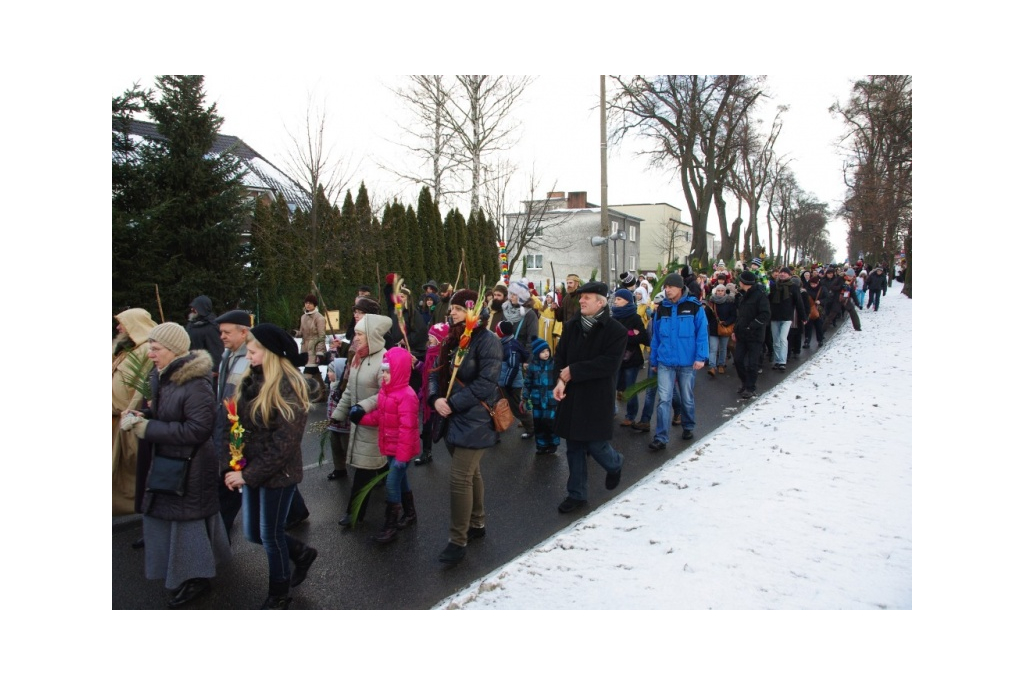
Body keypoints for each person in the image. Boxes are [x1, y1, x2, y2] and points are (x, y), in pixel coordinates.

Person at [120, 322, 230, 609]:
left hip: (191, 467)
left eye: (155, 349)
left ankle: (197, 579)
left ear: (173, 351)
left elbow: (197, 430)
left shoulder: (195, 384)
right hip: (173, 463)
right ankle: (187, 575)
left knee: (188, 526)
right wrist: (143, 413)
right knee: (172, 522)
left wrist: (148, 428)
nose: (151, 355)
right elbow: (166, 413)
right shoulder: (166, 376)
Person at [223, 324, 318, 609]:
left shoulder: (289, 387)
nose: (248, 356)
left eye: (253, 351)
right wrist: (234, 455)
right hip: (253, 469)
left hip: (279, 474)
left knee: (270, 534)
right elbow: (239, 424)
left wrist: (246, 475)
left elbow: (283, 446)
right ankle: (301, 553)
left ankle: (279, 593)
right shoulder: (252, 379)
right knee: (253, 532)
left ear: (272, 354)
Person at [428, 289, 502, 565]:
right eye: (452, 309)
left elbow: (486, 383)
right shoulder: (452, 339)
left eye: (458, 309)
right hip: (450, 415)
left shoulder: (488, 341)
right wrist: (435, 398)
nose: (452, 313)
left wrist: (454, 403)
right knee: (472, 474)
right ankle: (478, 524)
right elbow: (437, 371)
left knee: (460, 478)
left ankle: (457, 541)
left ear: (473, 312)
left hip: (475, 418)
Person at [551, 281, 628, 514]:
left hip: (596, 396)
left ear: (601, 302)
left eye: (587, 297)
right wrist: (560, 381)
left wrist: (574, 371)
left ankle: (615, 464)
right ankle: (577, 494)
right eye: (581, 297)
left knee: (596, 444)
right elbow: (560, 356)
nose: (581, 300)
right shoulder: (572, 325)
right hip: (573, 395)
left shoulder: (616, 331)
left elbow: (609, 364)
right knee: (573, 446)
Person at [352, 346, 420, 543]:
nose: (384, 374)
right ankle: (410, 514)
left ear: (399, 371)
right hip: (390, 447)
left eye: (388, 371)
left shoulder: (406, 396)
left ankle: (390, 525)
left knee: (391, 485)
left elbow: (408, 430)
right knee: (401, 481)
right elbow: (380, 417)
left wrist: (401, 458)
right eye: (383, 370)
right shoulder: (386, 392)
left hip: (401, 451)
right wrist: (360, 418)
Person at [332, 313, 392, 528]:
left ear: (372, 336)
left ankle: (354, 513)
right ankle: (397, 500)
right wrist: (338, 414)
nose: (355, 338)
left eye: (359, 334)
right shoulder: (359, 356)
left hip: (374, 423)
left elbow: (386, 392)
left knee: (364, 470)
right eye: (355, 333)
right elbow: (350, 389)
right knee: (377, 466)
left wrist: (363, 407)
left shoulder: (385, 360)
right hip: (360, 422)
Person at [646, 272, 709, 450]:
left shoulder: (695, 307)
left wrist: (700, 357)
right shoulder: (662, 309)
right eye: (665, 287)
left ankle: (688, 426)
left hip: (688, 362)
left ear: (680, 288)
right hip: (666, 361)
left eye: (670, 287)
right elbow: (656, 337)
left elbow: (702, 334)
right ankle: (661, 437)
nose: (667, 290)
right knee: (664, 400)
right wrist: (654, 360)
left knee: (687, 398)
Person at [113, 308, 158, 517]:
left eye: (121, 323)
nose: (118, 327)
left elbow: (143, 386)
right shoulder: (126, 349)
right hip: (114, 418)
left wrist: (130, 413)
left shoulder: (147, 350)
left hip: (126, 417)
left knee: (132, 468)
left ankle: (140, 511)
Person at [610, 288, 649, 428]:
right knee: (611, 386)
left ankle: (630, 416)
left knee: (630, 388)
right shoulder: (613, 317)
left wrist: (625, 336)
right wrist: (630, 333)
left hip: (630, 359)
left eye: (619, 299)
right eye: (616, 299)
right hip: (615, 358)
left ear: (627, 301)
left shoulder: (634, 317)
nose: (616, 301)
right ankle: (611, 411)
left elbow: (643, 337)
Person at [732, 271, 771, 400]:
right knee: (738, 360)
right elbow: (740, 315)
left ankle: (750, 387)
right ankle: (745, 382)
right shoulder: (742, 295)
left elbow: (765, 314)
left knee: (752, 363)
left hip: (755, 335)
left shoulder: (760, 296)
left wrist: (752, 326)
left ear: (744, 282)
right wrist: (735, 330)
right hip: (742, 334)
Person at [414, 322, 448, 466]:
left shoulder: (443, 355)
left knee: (442, 426)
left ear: (440, 339)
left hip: (437, 396)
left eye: (432, 336)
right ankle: (426, 452)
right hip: (428, 395)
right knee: (427, 425)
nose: (429, 339)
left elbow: (434, 376)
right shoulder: (430, 351)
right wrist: (416, 363)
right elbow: (426, 374)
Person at [523, 337, 560, 455]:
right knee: (539, 423)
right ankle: (541, 445)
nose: (546, 354)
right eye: (543, 352)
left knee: (550, 422)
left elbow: (560, 380)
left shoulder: (554, 365)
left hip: (551, 399)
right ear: (536, 353)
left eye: (547, 351)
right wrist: (524, 397)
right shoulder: (532, 366)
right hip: (537, 400)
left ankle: (553, 443)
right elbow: (527, 382)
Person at [768, 267, 807, 372]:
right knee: (775, 340)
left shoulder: (793, 287)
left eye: (785, 273)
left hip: (787, 317)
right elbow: (768, 299)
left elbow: (799, 302)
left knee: (783, 339)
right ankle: (777, 360)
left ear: (789, 275)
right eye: (781, 273)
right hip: (774, 317)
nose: (782, 274)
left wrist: (803, 317)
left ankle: (782, 362)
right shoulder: (773, 286)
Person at [186, 296, 224, 379]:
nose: (192, 310)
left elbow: (216, 348)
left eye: (195, 307)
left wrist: (216, 369)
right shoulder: (191, 324)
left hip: (207, 371)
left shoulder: (211, 326)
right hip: (192, 365)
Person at [704, 283, 736, 378]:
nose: (720, 292)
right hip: (714, 329)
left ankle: (721, 364)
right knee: (713, 349)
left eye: (722, 291)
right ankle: (712, 367)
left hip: (725, 328)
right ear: (716, 291)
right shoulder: (711, 303)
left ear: (724, 292)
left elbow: (733, 315)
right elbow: (706, 316)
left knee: (723, 348)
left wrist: (726, 322)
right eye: (718, 290)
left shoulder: (729, 302)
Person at [299, 294, 327, 402]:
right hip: (305, 347)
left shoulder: (319, 318)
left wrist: (320, 352)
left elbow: (321, 336)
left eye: (310, 303)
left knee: (307, 374)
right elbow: (302, 332)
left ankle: (301, 398)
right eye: (306, 303)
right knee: (314, 371)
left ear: (314, 305)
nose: (307, 305)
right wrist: (296, 333)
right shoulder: (303, 317)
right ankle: (323, 392)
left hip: (315, 348)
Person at [324, 358, 349, 481]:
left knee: (347, 449)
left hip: (345, 426)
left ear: (339, 372)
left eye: (331, 371)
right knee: (336, 448)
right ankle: (339, 469)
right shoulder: (332, 387)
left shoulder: (344, 388)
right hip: (333, 425)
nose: (328, 374)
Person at [803, 273, 829, 349]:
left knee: (819, 326)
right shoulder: (807, 289)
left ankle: (820, 340)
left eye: (815, 284)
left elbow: (827, 298)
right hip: (809, 310)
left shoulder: (822, 289)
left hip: (819, 310)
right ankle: (807, 340)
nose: (813, 285)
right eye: (812, 284)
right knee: (808, 326)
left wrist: (820, 301)